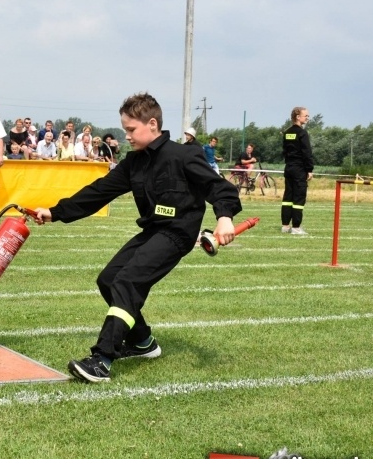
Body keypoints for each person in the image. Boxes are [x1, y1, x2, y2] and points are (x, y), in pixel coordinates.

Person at [33, 92, 241, 383]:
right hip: (152, 232)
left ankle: (102, 359)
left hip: (177, 235)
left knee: (128, 281)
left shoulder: (184, 155)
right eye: (125, 129)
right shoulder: (133, 163)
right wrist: (55, 212)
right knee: (108, 280)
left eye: (131, 129)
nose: (126, 135)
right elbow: (99, 192)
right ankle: (143, 342)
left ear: (152, 124)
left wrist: (224, 217)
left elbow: (220, 189)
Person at [281, 107, 314, 235]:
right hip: (299, 168)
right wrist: (309, 169)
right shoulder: (302, 133)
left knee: (288, 197)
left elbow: (284, 151)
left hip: (289, 167)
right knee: (299, 197)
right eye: (306, 116)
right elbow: (307, 152)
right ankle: (296, 227)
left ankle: (285, 225)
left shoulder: (287, 132)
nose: (307, 118)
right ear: (298, 117)